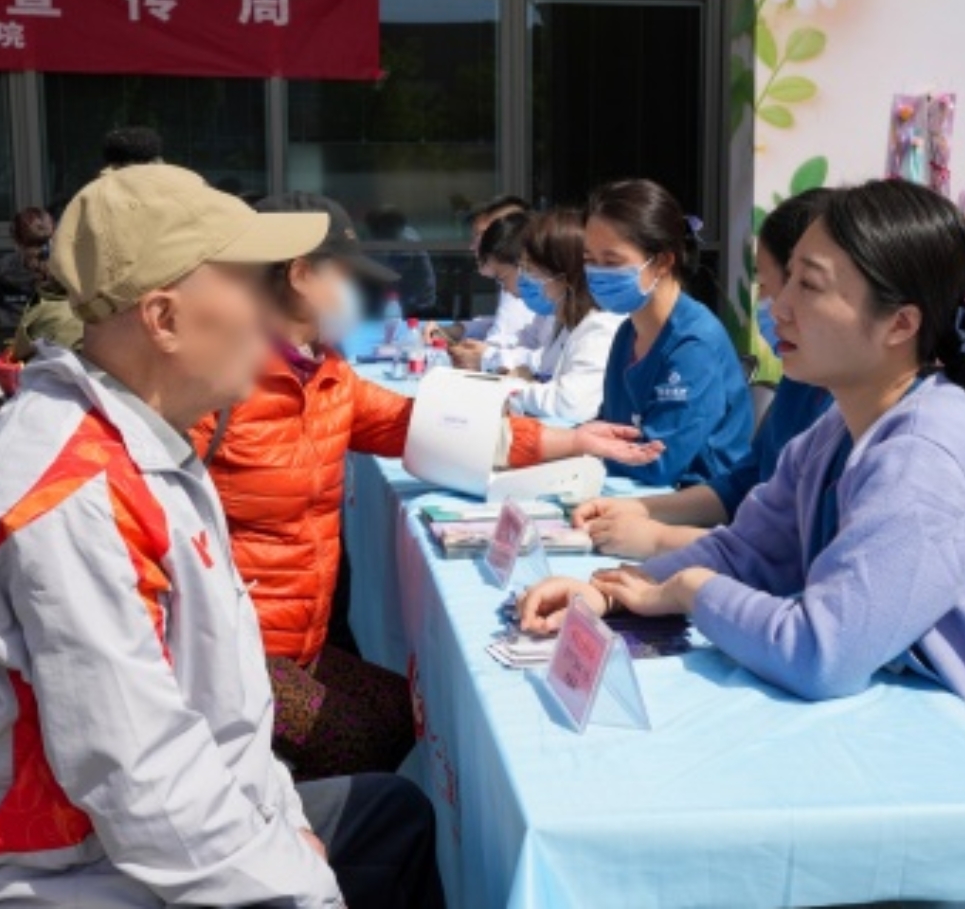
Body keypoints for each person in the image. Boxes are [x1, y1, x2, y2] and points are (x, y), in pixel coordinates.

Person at [520, 180, 965, 909]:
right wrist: (611, 591)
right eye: (783, 281)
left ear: (899, 323)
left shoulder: (926, 459)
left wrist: (688, 591)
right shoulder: (839, 428)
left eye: (808, 286)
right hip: (960, 790)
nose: (779, 306)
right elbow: (745, 551)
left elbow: (821, 653)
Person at [0, 164, 445, 909]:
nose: (271, 310)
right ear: (164, 320)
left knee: (391, 816)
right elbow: (144, 790)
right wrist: (301, 883)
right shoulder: (76, 498)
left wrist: (284, 823)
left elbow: (223, 711)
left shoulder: (142, 438)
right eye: (249, 283)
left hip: (139, 840)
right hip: (75, 877)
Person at [191, 191, 663, 783]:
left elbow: (426, 426)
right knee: (362, 745)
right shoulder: (215, 383)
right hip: (230, 651)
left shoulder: (327, 373)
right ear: (301, 274)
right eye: (346, 276)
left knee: (403, 713)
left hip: (297, 641)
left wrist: (572, 441)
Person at [573, 191, 834, 556]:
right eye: (590, 261)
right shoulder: (801, 381)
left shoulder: (695, 342)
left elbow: (799, 551)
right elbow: (746, 483)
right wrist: (639, 509)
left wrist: (658, 538)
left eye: (807, 286)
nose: (778, 309)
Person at [588, 178, 752, 487]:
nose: (596, 273)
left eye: (611, 262)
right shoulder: (628, 332)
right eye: (589, 260)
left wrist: (583, 450)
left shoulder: (694, 344)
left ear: (662, 261)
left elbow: (659, 463)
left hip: (693, 502)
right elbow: (609, 426)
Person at [507, 208, 625, 424]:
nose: (526, 276)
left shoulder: (600, 327)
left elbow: (571, 404)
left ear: (563, 274)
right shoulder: (565, 323)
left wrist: (514, 389)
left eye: (531, 268)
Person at [448, 212, 554, 373]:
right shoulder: (547, 308)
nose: (505, 289)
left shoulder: (578, 312)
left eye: (503, 278)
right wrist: (485, 351)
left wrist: (489, 358)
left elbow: (552, 361)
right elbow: (529, 338)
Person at [425, 194, 533, 350]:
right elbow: (507, 325)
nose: (473, 246)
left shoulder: (528, 284)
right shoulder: (513, 279)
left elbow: (502, 341)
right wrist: (458, 330)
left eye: (483, 236)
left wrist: (479, 353)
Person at [0, 207, 53, 325]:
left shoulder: (64, 269)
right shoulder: (0, 272)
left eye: (42, 244)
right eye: (32, 245)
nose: (38, 252)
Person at [366, 205, 437, 314]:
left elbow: (393, 277)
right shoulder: (398, 234)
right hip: (398, 300)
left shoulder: (407, 242)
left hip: (417, 302)